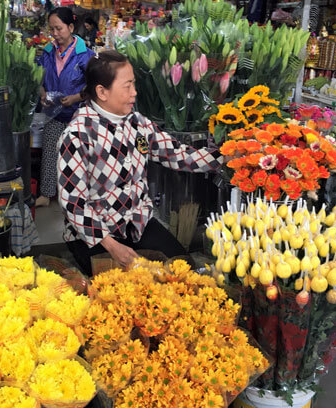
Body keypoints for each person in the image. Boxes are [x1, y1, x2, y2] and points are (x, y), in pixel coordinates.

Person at [57, 51, 222, 276]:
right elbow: (73, 204)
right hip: (95, 235)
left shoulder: (137, 124)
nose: (134, 93)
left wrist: (224, 158)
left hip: (137, 223)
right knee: (129, 293)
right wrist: (112, 246)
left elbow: (177, 154)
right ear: (102, 92)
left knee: (184, 272)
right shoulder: (77, 135)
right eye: (127, 86)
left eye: (134, 84)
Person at [35, 7, 95, 208]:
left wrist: (76, 97)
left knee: (78, 156)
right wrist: (42, 93)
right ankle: (46, 193)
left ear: (70, 27)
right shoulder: (48, 52)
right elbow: (38, 78)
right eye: (52, 29)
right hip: (55, 114)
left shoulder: (86, 55)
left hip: (78, 115)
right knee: (50, 150)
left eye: (59, 28)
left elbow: (95, 85)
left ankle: (79, 196)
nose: (55, 34)